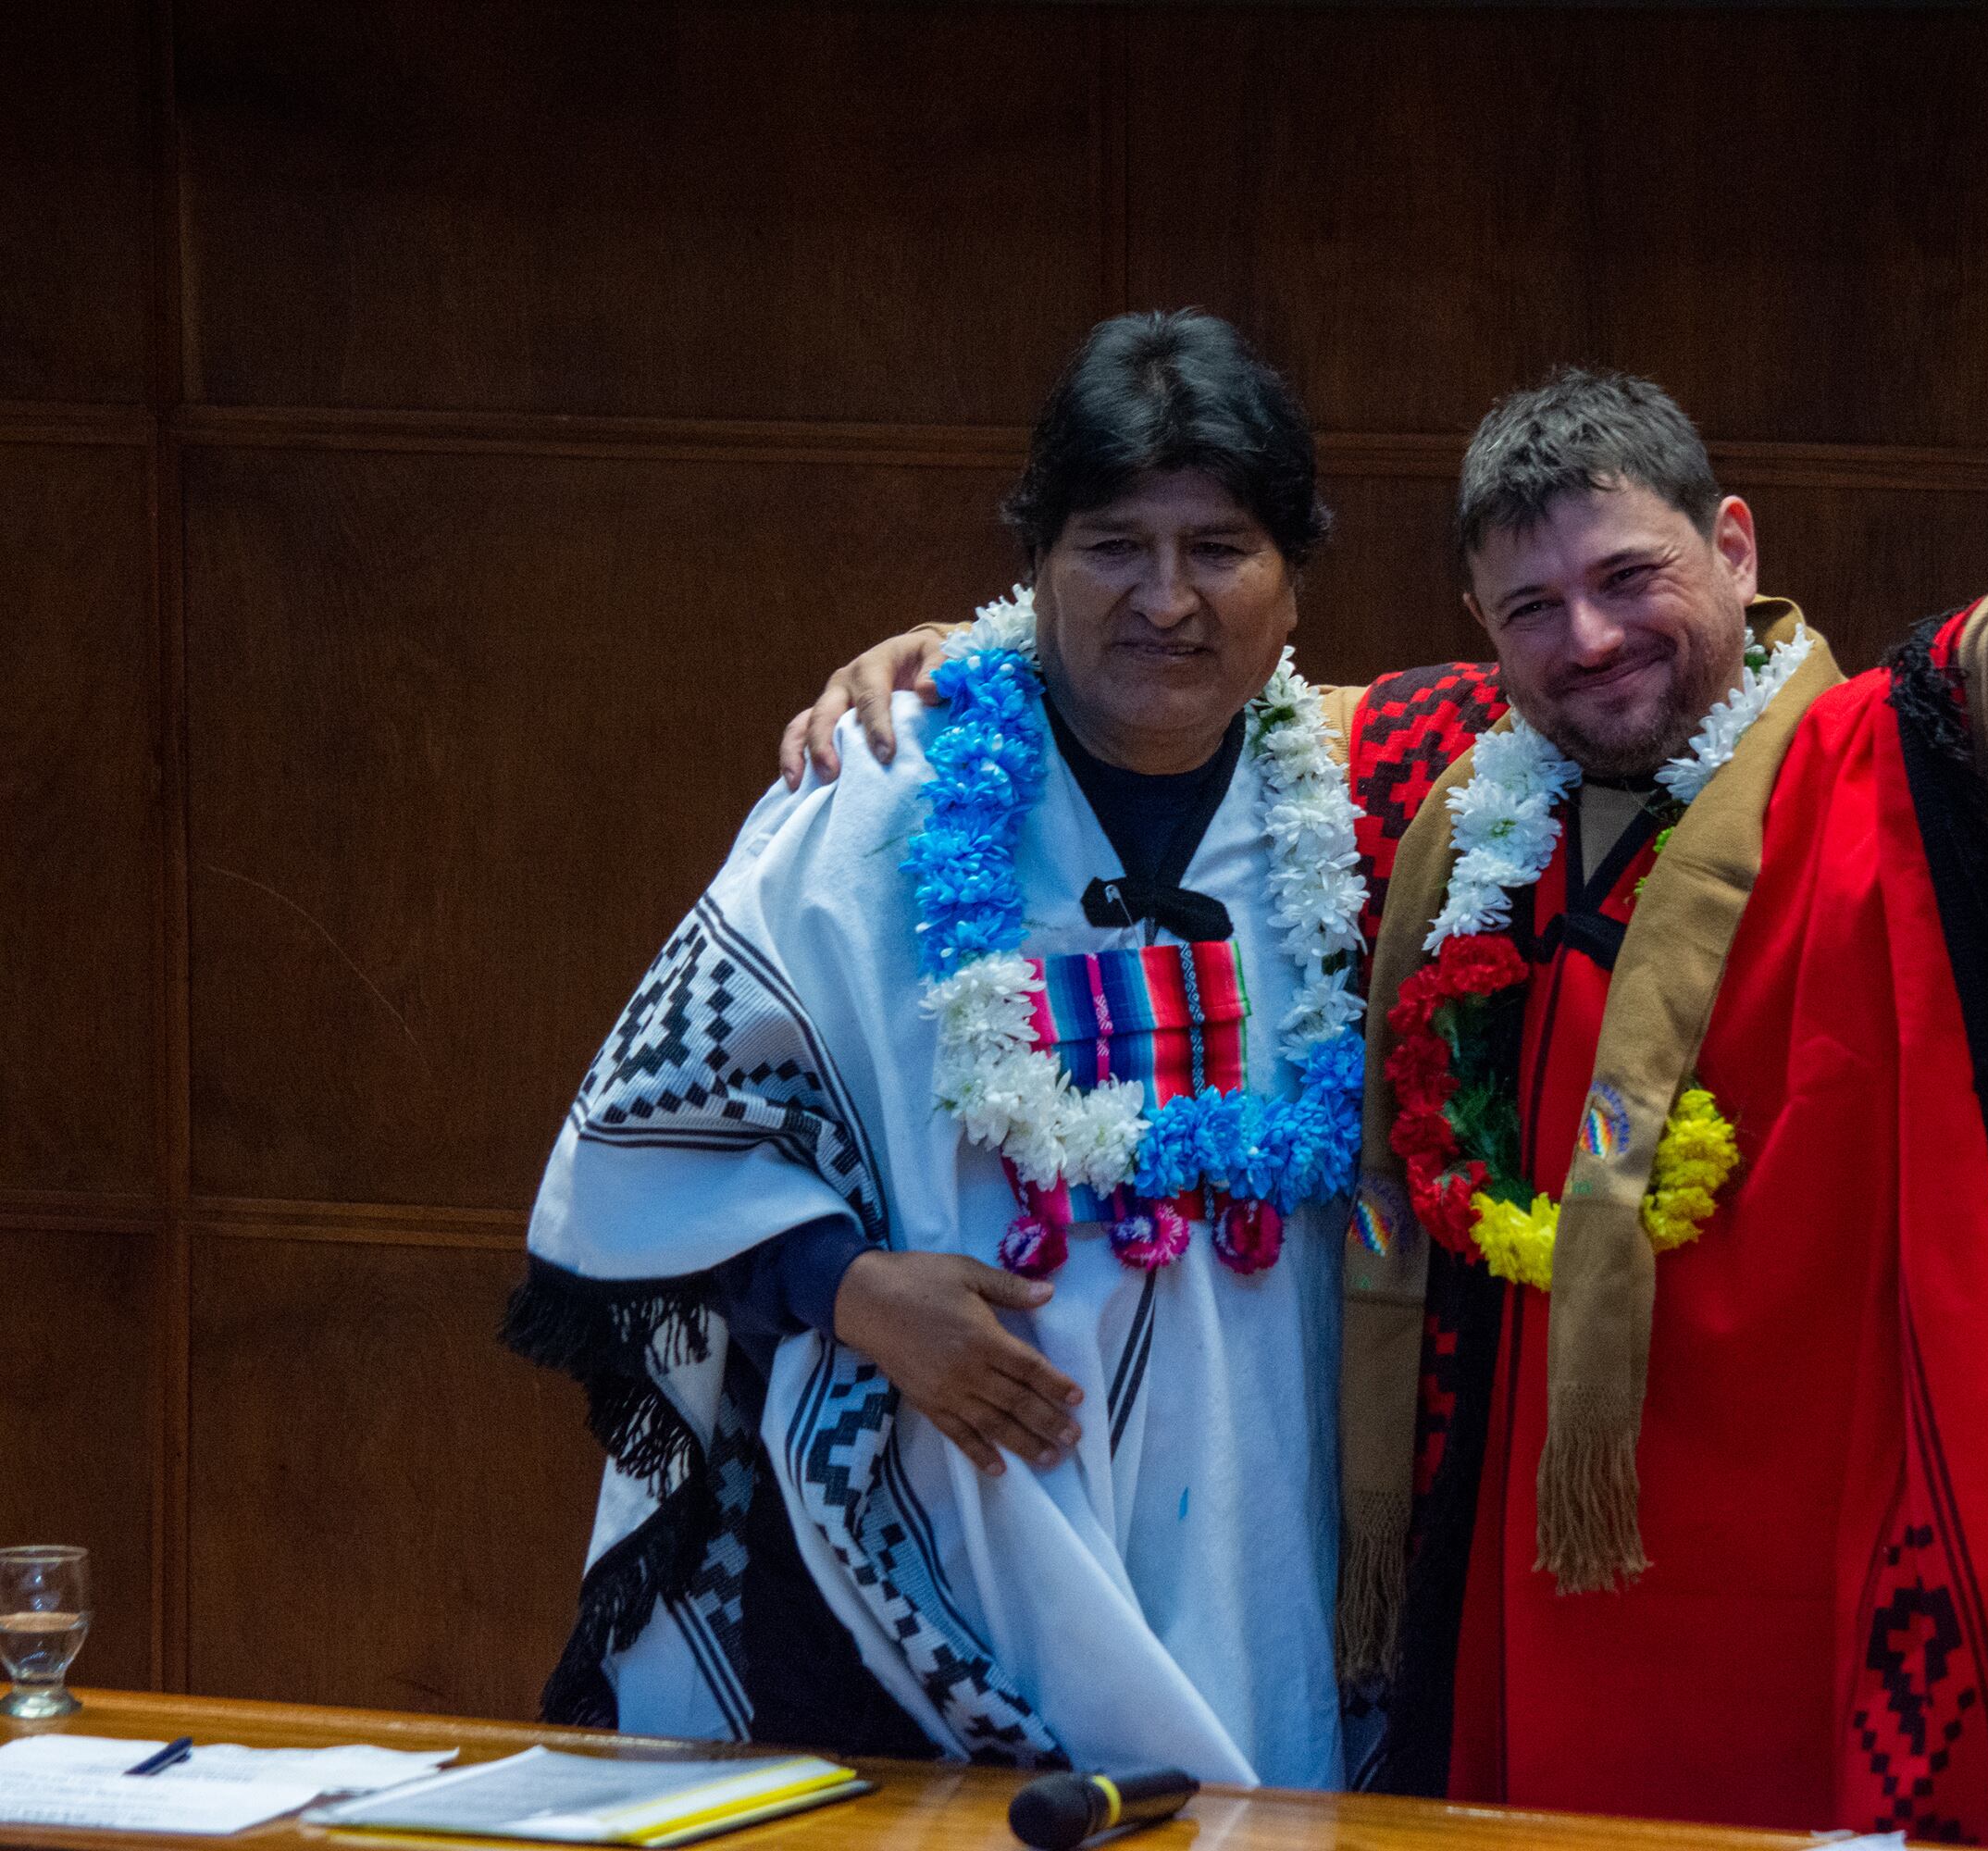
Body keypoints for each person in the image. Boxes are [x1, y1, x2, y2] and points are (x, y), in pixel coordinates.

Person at [775, 140, 1988, 1847]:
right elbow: (1181, 678)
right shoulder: (1443, 778)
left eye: (1630, 579)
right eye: (1533, 609)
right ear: (1483, 629)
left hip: (1823, 1546)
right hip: (1538, 1568)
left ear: (1734, 544)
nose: (1591, 641)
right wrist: (957, 666)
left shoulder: (1896, 761)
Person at [505, 309, 1373, 1786]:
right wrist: (849, 1293)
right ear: (1034, 564)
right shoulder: (881, 792)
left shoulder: (1363, 812)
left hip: (1253, 1517)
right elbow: (645, 1133)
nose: (1166, 599)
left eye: (1219, 549)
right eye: (1113, 546)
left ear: (1294, 582)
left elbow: (1643, 684)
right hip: (930, 1519)